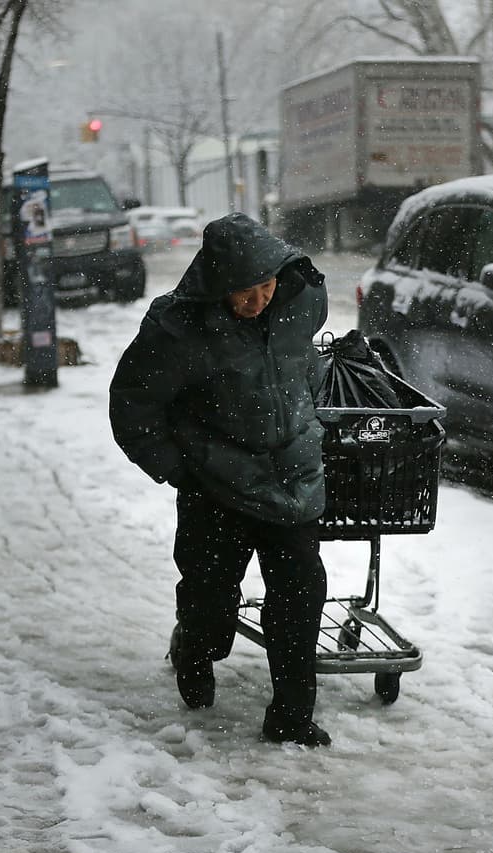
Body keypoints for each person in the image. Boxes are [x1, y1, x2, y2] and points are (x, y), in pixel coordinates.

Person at [109, 212, 332, 747]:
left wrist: (307, 425)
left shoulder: (301, 301)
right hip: (217, 487)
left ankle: (292, 717)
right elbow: (133, 406)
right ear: (215, 285)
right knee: (211, 603)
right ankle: (195, 647)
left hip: (291, 483)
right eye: (243, 292)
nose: (258, 300)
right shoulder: (177, 329)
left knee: (300, 600)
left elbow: (302, 367)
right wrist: (180, 470)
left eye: (265, 285)